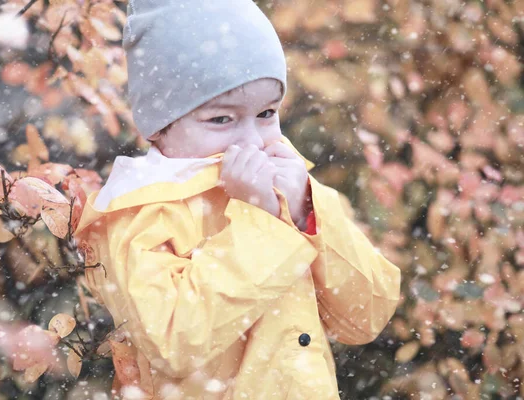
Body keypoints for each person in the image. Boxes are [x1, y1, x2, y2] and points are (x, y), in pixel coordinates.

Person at [74, 0, 401, 398]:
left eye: (266, 113)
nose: (250, 140)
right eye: (221, 119)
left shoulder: (288, 183)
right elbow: (175, 342)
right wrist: (257, 220)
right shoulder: (134, 213)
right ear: (160, 126)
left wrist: (305, 211)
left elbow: (367, 316)